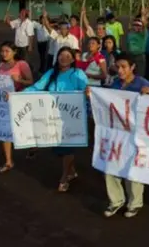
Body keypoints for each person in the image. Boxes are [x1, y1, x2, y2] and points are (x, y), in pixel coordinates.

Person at [24, 47, 88, 192]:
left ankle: (64, 177)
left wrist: (87, 94)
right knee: (60, 149)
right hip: (53, 117)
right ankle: (71, 171)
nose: (63, 58)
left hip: (72, 118)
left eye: (67, 56)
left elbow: (86, 91)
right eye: (61, 55)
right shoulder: (51, 73)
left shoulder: (78, 74)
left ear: (73, 59)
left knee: (68, 148)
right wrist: (19, 95)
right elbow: (37, 87)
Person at [102, 52, 149, 219]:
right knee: (110, 167)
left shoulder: (142, 84)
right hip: (117, 133)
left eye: (124, 67)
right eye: (118, 67)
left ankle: (134, 203)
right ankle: (116, 200)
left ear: (132, 67)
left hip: (136, 134)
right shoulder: (115, 84)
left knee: (133, 167)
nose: (120, 70)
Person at [0, 42, 34, 173]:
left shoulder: (22, 64)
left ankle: (32, 145)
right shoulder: (1, 65)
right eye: (2, 51)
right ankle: (9, 161)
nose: (4, 54)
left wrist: (19, 80)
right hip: (5, 101)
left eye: (7, 51)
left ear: (14, 52)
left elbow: (31, 81)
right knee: (5, 130)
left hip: (19, 99)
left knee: (23, 127)